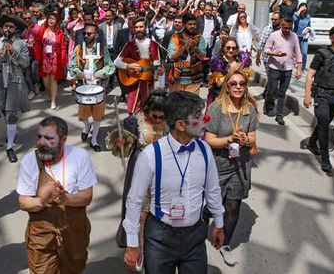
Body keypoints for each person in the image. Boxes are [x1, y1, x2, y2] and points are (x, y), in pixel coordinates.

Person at [123, 91, 225, 273]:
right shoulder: (151, 155)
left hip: (195, 238)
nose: (205, 120)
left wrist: (219, 222)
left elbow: (213, 190)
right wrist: (132, 244)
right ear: (180, 125)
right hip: (160, 239)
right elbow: (134, 200)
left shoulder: (204, 150)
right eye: (198, 117)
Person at [17, 116, 97, 273]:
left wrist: (66, 199)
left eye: (48, 138)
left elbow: (87, 196)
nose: (41, 142)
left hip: (73, 233)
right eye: (39, 136)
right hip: (42, 236)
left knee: (73, 268)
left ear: (63, 140)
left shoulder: (80, 157)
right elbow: (22, 201)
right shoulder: (29, 161)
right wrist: (41, 201)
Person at [204, 71, 259, 266]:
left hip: (240, 164)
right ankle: (202, 224)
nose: (237, 87)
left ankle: (226, 243)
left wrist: (245, 139)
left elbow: (253, 137)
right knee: (214, 204)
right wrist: (229, 139)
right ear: (226, 86)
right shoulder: (215, 108)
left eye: (241, 84)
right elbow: (209, 140)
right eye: (233, 83)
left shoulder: (249, 109)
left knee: (233, 205)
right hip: (219, 164)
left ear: (245, 86)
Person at [108, 90, 169, 250]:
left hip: (163, 169)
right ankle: (138, 247)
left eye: (161, 117)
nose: (158, 120)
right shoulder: (134, 122)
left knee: (160, 212)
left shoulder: (170, 122)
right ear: (147, 110)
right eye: (154, 116)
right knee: (140, 213)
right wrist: (121, 143)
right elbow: (125, 150)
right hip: (140, 168)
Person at [303, 25, 334, 173]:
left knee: (324, 123)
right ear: (331, 37)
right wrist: (307, 95)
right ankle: (324, 158)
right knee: (324, 123)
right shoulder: (322, 53)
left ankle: (312, 142)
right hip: (322, 94)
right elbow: (310, 74)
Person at [0, 15, 30, 163]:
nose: (8, 29)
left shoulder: (21, 43)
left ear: (15, 29)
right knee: (1, 109)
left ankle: (10, 146)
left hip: (14, 81)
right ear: (2, 29)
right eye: (6, 27)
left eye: (11, 27)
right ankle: (11, 129)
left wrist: (14, 52)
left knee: (11, 112)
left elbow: (25, 63)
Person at [69, 21, 115, 151]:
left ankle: (94, 140)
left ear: (96, 35)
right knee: (83, 115)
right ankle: (86, 126)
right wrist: (79, 73)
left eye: (89, 33)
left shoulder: (102, 50)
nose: (86, 35)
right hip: (83, 87)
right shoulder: (78, 49)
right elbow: (72, 66)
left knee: (97, 115)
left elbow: (110, 66)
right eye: (84, 33)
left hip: (98, 87)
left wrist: (101, 73)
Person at [114, 17, 163, 114]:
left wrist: (159, 71)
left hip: (148, 83)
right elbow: (116, 62)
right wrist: (128, 66)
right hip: (133, 83)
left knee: (148, 110)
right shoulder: (129, 45)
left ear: (146, 28)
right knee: (132, 110)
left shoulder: (153, 45)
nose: (138, 29)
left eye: (141, 27)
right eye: (136, 27)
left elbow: (157, 64)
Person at [263, 17, 303, 125]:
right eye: (285, 28)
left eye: (289, 28)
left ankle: (279, 115)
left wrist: (299, 69)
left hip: (288, 68)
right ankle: (268, 105)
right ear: (281, 26)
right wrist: (275, 54)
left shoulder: (294, 36)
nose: (286, 30)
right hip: (274, 67)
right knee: (272, 91)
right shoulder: (274, 35)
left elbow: (298, 52)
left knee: (282, 92)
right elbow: (266, 49)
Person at [167, 13, 207, 94]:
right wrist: (184, 47)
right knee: (177, 105)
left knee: (191, 105)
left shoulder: (199, 38)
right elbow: (172, 56)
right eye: (190, 24)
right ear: (184, 24)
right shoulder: (176, 37)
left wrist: (194, 48)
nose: (193, 26)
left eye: (194, 24)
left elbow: (202, 56)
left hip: (194, 79)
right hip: (177, 78)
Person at [35, 11, 67, 110]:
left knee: (53, 80)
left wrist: (62, 60)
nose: (51, 20)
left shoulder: (60, 32)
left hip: (55, 58)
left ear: (57, 21)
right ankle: (49, 93)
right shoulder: (42, 29)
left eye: (53, 19)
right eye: (50, 18)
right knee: (45, 80)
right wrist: (37, 56)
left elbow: (62, 47)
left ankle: (53, 100)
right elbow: (37, 43)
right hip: (44, 57)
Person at [208, 38, 253, 105]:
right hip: (220, 95)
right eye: (228, 48)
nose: (231, 50)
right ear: (223, 48)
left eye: (233, 48)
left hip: (237, 95)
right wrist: (232, 71)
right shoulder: (217, 61)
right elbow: (218, 83)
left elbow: (246, 78)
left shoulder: (240, 59)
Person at [293, 3, 314, 70]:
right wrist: (299, 11)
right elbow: (294, 19)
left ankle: (303, 67)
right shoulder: (296, 15)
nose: (304, 9)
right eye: (302, 7)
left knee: (304, 53)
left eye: (305, 7)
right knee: (295, 52)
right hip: (296, 36)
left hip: (304, 37)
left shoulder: (307, 16)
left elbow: (309, 26)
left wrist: (308, 30)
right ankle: (294, 65)